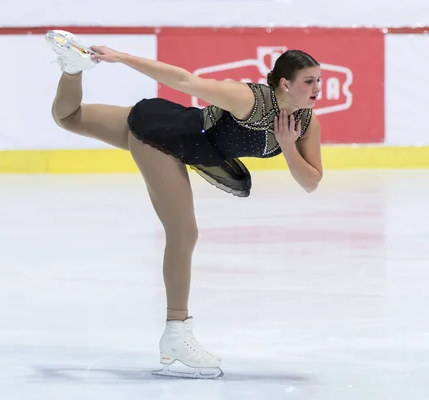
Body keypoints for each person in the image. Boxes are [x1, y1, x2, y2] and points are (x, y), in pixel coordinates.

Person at [45, 30, 323, 379]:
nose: (317, 88)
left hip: (177, 136)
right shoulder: (247, 99)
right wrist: (121, 56)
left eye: (319, 81)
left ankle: (72, 69)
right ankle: (177, 331)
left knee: (70, 117)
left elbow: (311, 181)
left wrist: (288, 145)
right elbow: (183, 79)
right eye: (309, 81)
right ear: (285, 83)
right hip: (165, 136)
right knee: (184, 232)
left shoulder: (306, 124)